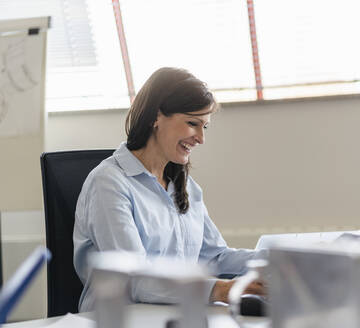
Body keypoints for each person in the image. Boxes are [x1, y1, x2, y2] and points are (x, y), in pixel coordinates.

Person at [73, 67, 266, 312]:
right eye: (192, 123)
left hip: (173, 314)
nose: (200, 138)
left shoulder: (185, 187)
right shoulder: (108, 183)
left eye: (204, 127)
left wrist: (274, 262)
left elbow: (213, 257)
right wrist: (221, 290)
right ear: (156, 116)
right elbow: (134, 280)